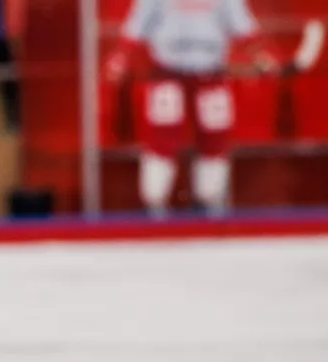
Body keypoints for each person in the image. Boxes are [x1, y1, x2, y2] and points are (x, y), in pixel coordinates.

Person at [105, 0, 277, 217]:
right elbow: (137, 25)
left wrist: (259, 54)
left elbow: (242, 26)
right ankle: (155, 206)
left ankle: (211, 202)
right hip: (167, 71)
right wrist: (121, 56)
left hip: (210, 73)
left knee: (214, 138)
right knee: (161, 137)